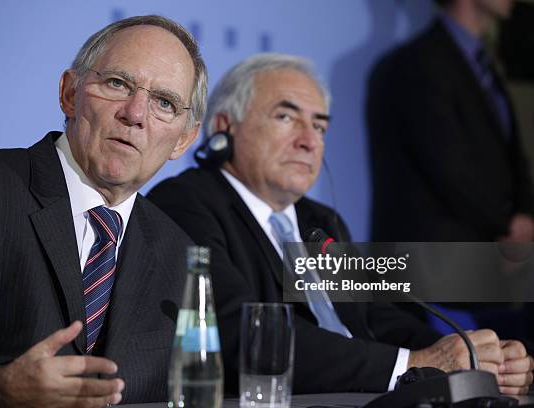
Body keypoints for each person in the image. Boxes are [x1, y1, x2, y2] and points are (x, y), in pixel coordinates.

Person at [147, 53, 534, 395]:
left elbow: (376, 317)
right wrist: (412, 365)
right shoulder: (186, 203)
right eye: (286, 116)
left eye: (319, 126)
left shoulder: (320, 220)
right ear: (223, 127)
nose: (308, 141)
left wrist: (467, 354)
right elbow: (237, 332)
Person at [0, 15, 206, 406]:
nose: (135, 114)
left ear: (184, 141)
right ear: (70, 93)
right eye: (117, 84)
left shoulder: (178, 252)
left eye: (164, 103)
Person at [367, 0, 534, 243]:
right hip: (433, 267)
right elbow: (448, 169)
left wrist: (525, 216)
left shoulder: (485, 68)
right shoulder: (416, 64)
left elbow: (513, 157)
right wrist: (507, 228)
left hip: (483, 262)